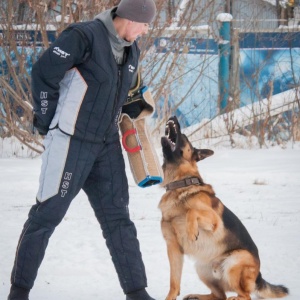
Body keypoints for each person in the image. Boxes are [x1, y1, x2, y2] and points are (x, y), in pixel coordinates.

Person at [7, 0, 157, 299]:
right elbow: (43, 75)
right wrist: (48, 121)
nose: (144, 31)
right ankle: (19, 292)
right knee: (46, 215)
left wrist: (136, 107)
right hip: (70, 143)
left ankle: (137, 292)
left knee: (118, 220)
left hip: (106, 146)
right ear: (129, 18)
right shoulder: (83, 37)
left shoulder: (131, 50)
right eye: (144, 24)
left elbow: (123, 90)